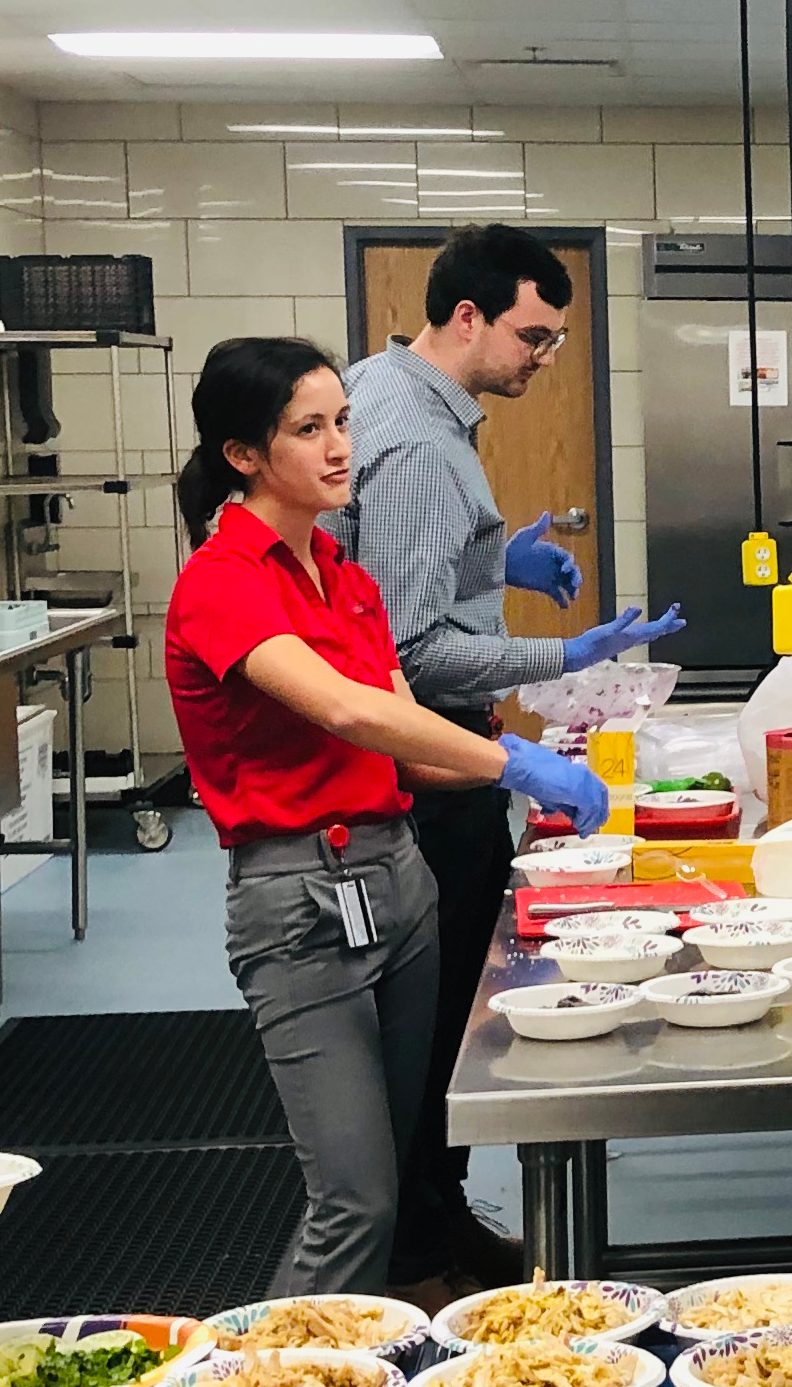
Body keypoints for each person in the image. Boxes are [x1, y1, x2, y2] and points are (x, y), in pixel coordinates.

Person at [166, 335, 612, 1301]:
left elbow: (404, 746)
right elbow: (346, 709)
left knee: (408, 1170)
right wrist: (512, 757)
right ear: (244, 455)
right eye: (308, 429)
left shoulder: (344, 576)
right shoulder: (223, 581)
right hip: (300, 904)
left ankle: (384, 1364)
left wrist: (536, 781)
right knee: (353, 1198)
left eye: (343, 422)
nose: (339, 449)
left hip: (398, 883)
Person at [332, 225, 682, 1298]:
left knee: (430, 1022)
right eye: (534, 335)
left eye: (560, 340)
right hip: (427, 774)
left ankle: (436, 1227)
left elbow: (405, 574)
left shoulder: (383, 388)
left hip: (414, 764)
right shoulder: (424, 446)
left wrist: (495, 556)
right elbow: (405, 651)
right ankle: (420, 1262)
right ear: (469, 316)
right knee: (438, 1028)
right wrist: (562, 652)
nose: (544, 357)